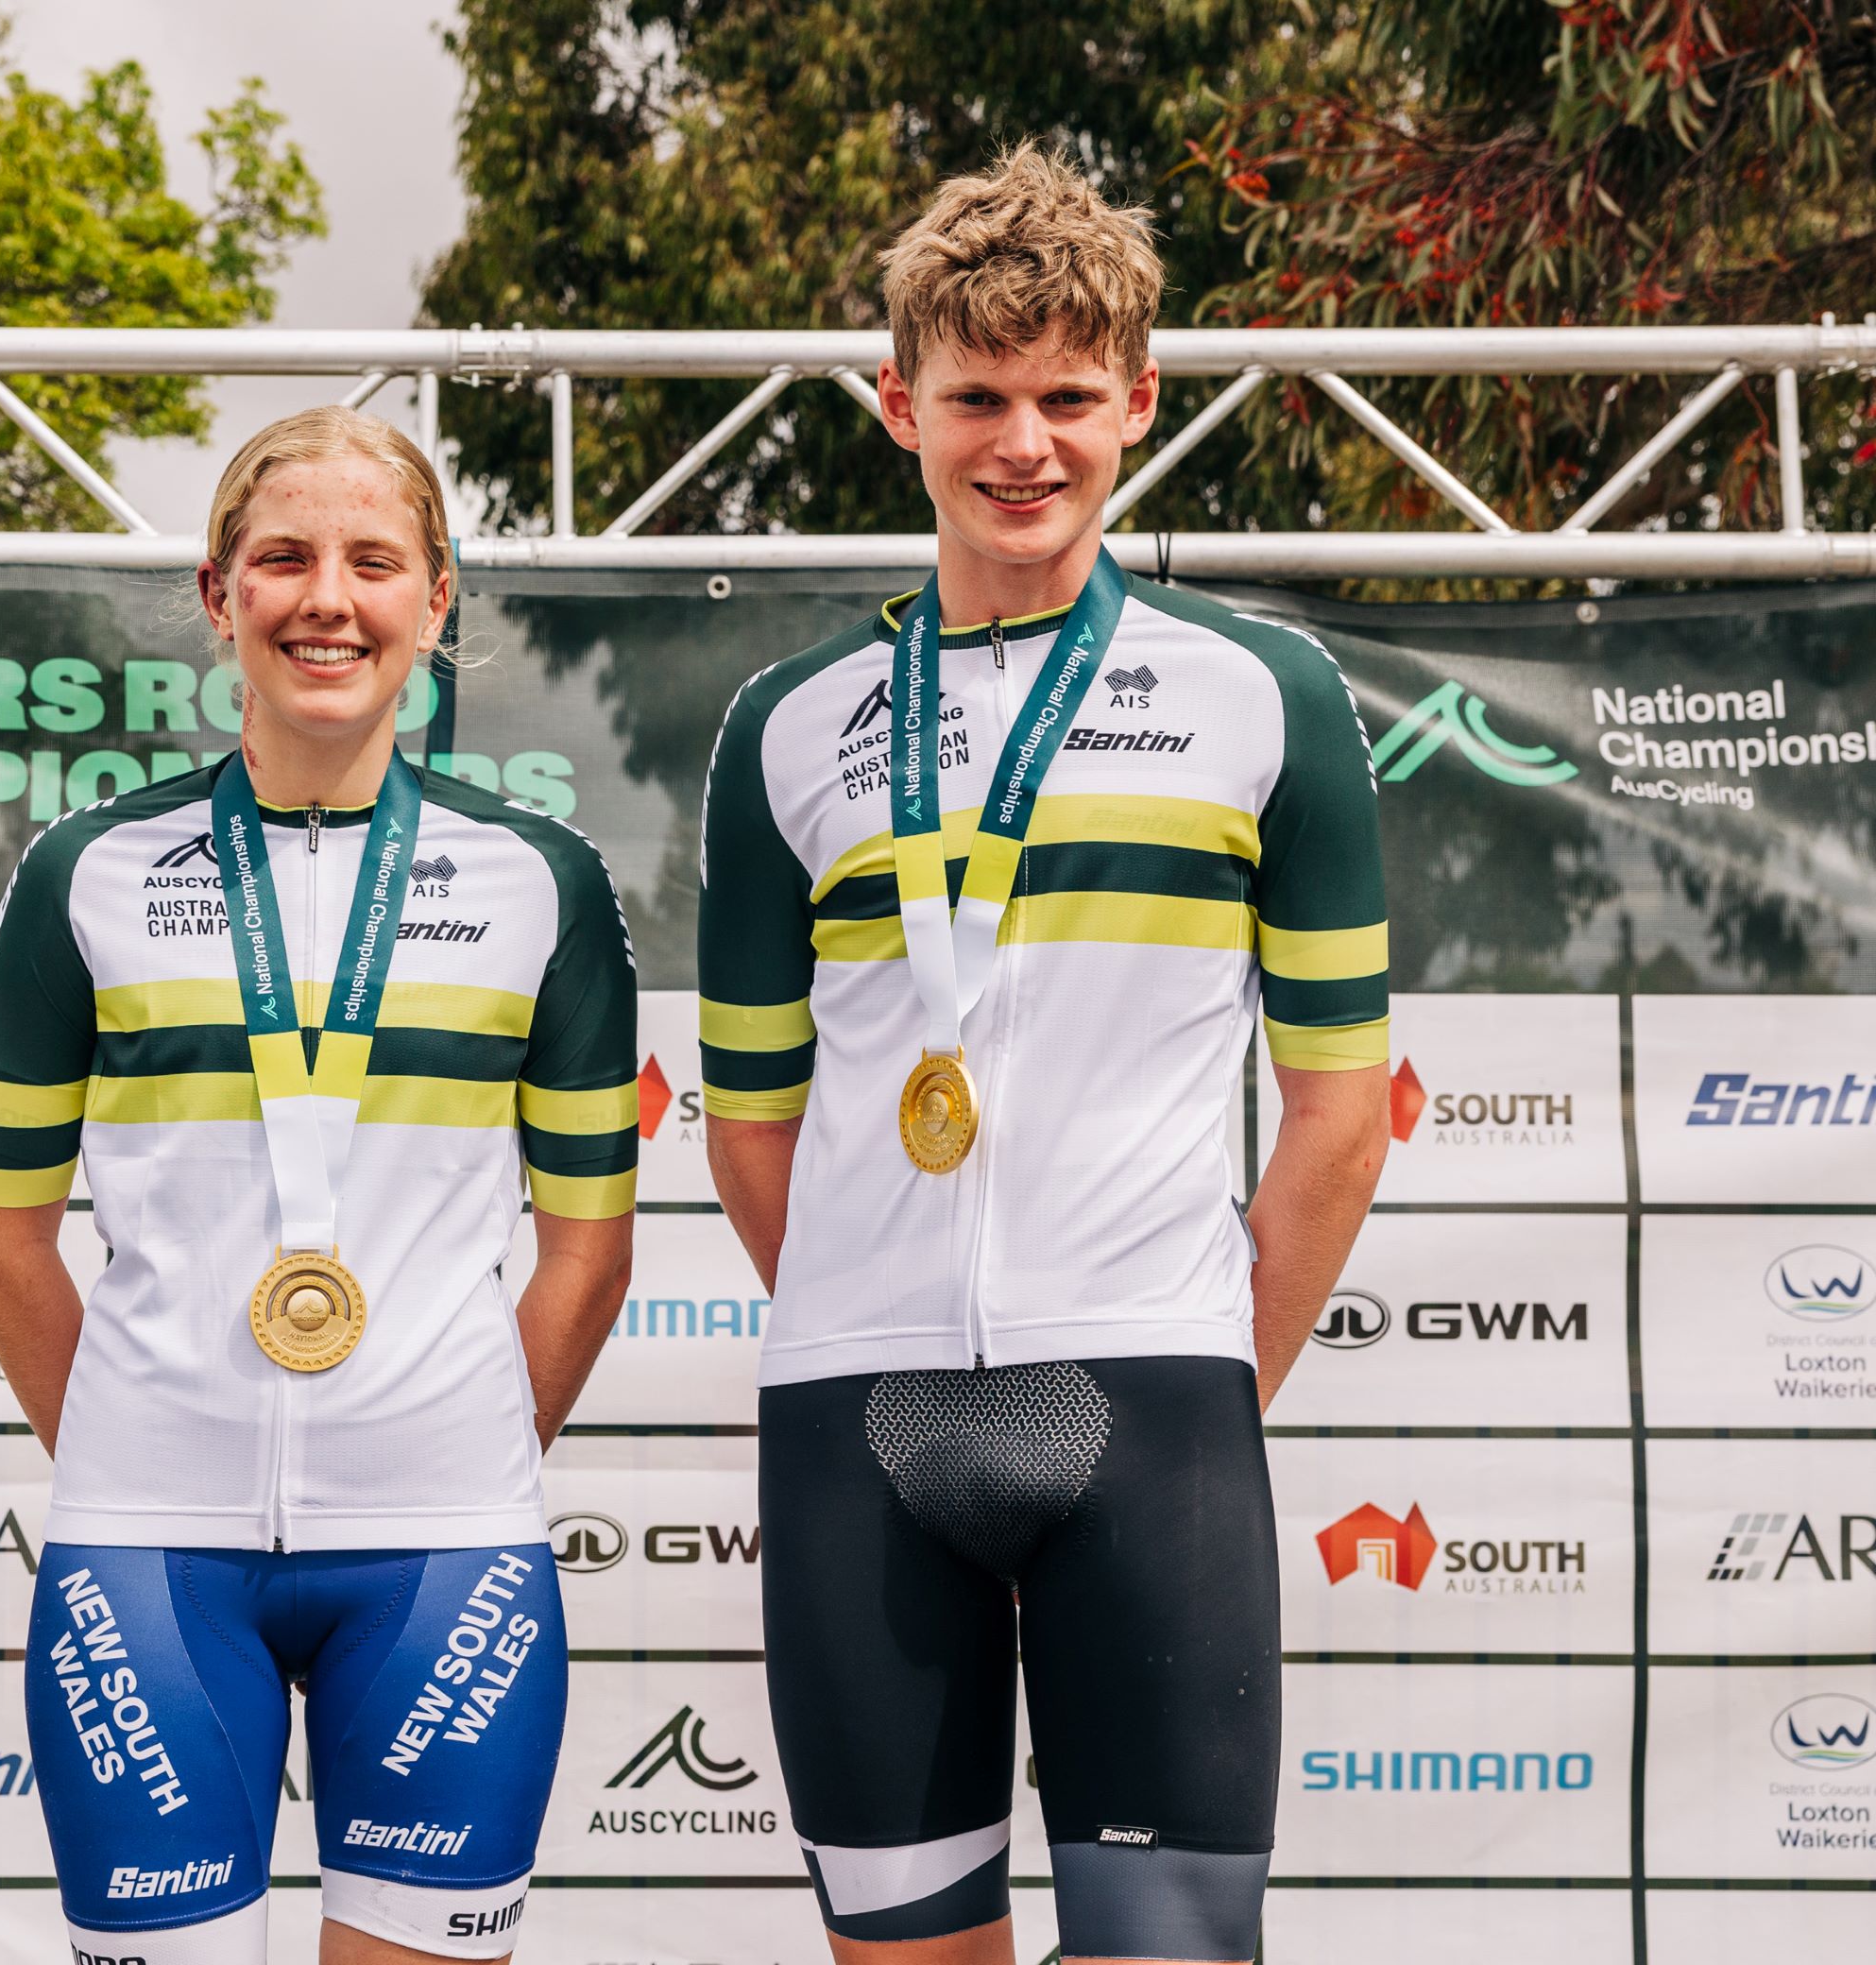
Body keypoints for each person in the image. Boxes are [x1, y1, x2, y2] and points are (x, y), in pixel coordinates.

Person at [697, 147, 1390, 1965]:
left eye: (1071, 398)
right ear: (896, 407)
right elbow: (753, 1130)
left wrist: (1197, 1361)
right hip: (857, 1411)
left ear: (1140, 401)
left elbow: (1334, 1113)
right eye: (978, 398)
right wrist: (876, 1295)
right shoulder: (785, 729)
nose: (1027, 445)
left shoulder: (1268, 697)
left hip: (1156, 1414)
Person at [0, 406, 638, 1964]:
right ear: (217, 595)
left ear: (436, 597)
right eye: (282, 559)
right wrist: (147, 1449)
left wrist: (441, 1439)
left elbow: (589, 1255)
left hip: (444, 1551)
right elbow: (4, 1247)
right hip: (147, 1552)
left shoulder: (546, 882)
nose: (326, 598)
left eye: (371, 561)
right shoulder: (86, 875)